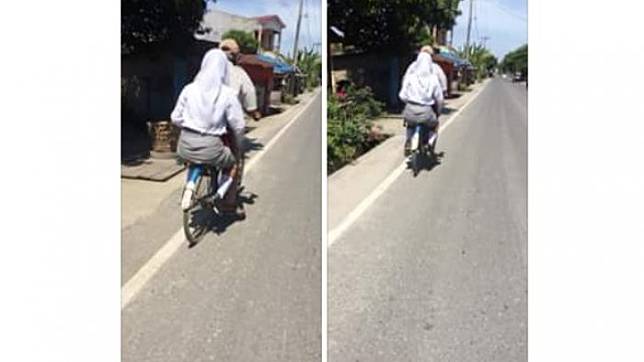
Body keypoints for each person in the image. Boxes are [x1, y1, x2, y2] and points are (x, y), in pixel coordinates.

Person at [171, 49, 246, 217]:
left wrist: (191, 124)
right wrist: (238, 143)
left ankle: (190, 184)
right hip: (212, 146)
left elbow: (175, 117)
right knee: (233, 163)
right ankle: (219, 195)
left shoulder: (188, 89)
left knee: (194, 159)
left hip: (184, 145)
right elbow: (239, 125)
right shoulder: (227, 94)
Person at [399, 51, 444, 156]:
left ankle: (409, 140)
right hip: (426, 112)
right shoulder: (433, 79)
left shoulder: (410, 77)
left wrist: (408, 102)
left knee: (410, 124)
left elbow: (402, 95)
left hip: (410, 110)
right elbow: (440, 98)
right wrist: (439, 111)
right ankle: (429, 142)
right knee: (435, 125)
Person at [219, 39, 262, 121]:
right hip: (228, 120)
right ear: (233, 55)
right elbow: (249, 92)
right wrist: (253, 111)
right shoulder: (238, 72)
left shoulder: (205, 71)